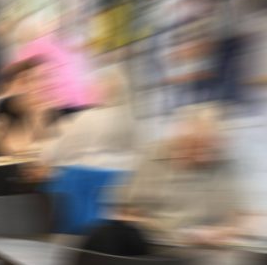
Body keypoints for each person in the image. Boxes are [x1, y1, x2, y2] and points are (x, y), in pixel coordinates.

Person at [119, 103, 245, 244]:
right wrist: (176, 235)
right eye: (195, 146)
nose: (204, 157)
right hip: (157, 247)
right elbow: (128, 215)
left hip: (209, 251)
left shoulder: (223, 161)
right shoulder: (153, 156)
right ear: (178, 141)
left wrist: (223, 232)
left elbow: (237, 218)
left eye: (210, 148)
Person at [41, 67, 137, 170]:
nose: (88, 89)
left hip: (84, 179)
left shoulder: (88, 117)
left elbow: (51, 154)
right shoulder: (130, 121)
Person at [0, 59, 56, 159]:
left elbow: (48, 150)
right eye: (24, 82)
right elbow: (11, 153)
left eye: (39, 80)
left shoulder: (46, 110)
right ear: (7, 88)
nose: (34, 87)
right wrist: (33, 117)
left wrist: (37, 116)